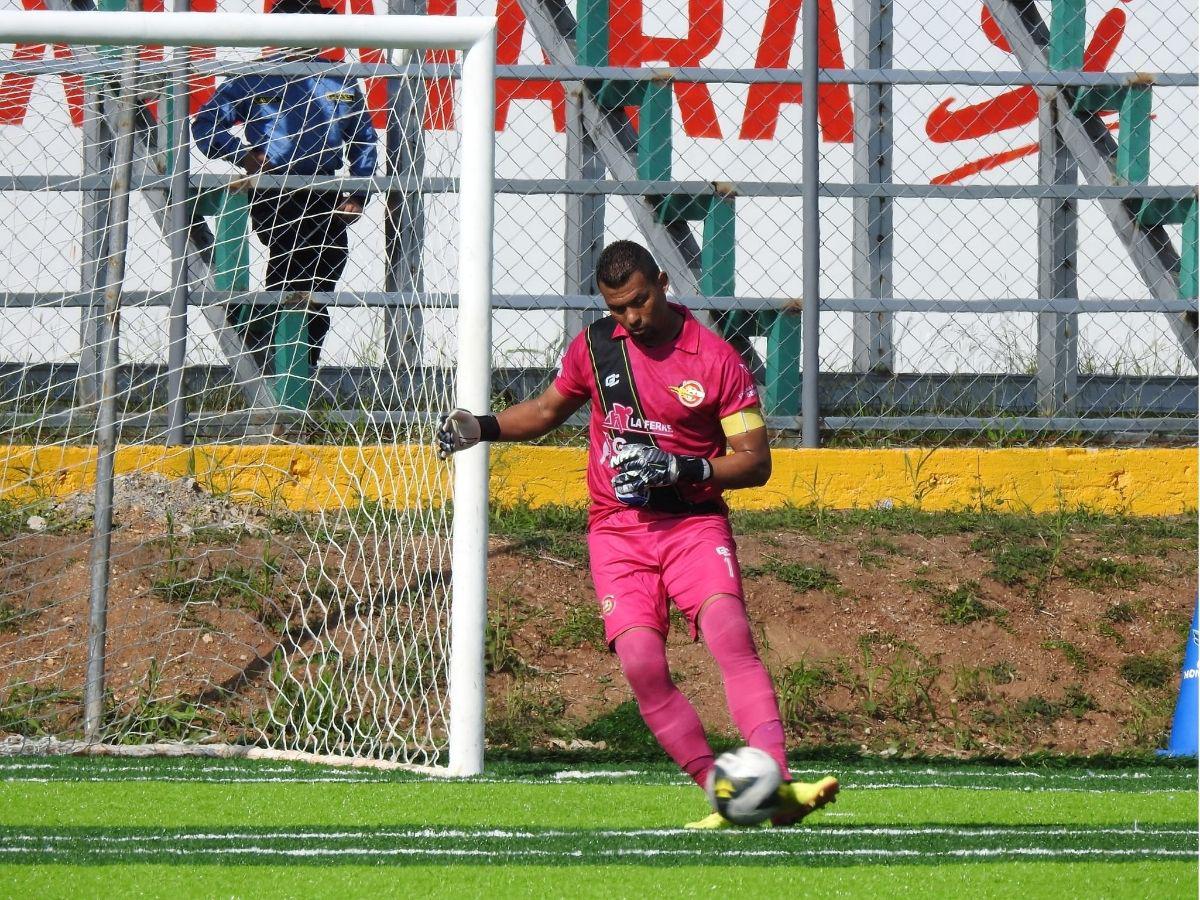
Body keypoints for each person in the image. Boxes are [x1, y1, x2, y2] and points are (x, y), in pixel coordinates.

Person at [437, 240, 839, 828]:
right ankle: (724, 793)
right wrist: (483, 425)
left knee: (730, 634)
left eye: (639, 301)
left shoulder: (716, 359)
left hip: (691, 525)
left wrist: (684, 467)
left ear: (662, 283)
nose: (630, 317)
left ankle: (775, 783)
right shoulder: (597, 348)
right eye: (616, 306)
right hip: (617, 533)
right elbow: (549, 409)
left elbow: (756, 462)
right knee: (643, 665)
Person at [191, 0, 377, 373]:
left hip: (323, 191)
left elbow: (363, 140)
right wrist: (241, 155)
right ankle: (283, 364)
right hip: (274, 189)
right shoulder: (255, 78)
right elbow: (205, 128)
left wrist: (356, 193)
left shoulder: (340, 80)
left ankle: (302, 365)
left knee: (326, 268)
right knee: (292, 262)